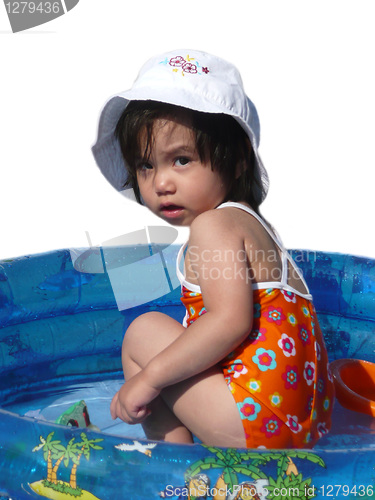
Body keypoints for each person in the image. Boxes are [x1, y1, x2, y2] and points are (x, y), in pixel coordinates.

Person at [92, 49, 334, 449]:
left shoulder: (214, 225)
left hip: (259, 422)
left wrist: (149, 379)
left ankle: (173, 469)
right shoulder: (252, 225)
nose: (160, 183)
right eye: (146, 165)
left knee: (143, 333)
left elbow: (228, 321)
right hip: (305, 421)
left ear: (237, 160)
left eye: (181, 160)